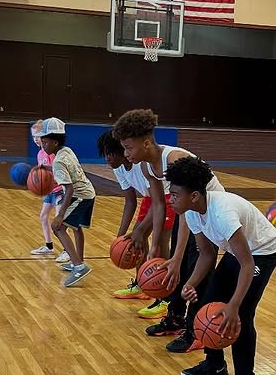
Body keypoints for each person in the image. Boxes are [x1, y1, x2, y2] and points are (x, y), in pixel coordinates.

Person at [165, 157, 276, 375]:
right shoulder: (193, 212)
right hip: (236, 251)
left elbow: (248, 265)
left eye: (174, 194)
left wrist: (234, 305)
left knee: (239, 317)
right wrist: (191, 283)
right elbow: (206, 254)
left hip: (262, 251)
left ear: (194, 195)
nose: (170, 199)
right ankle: (215, 365)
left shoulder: (222, 213)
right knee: (208, 303)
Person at [113, 108, 225, 353]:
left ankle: (195, 332)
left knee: (194, 267)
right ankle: (175, 318)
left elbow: (188, 211)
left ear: (146, 142)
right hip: (188, 211)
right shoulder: (147, 167)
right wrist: (150, 239)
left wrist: (176, 256)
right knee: (176, 264)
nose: (125, 153)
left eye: (129, 148)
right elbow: (159, 204)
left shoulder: (173, 158)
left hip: (209, 211)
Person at [98, 129, 170, 318]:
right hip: (151, 198)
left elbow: (159, 202)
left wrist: (139, 230)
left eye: (110, 153)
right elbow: (130, 201)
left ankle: (165, 299)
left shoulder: (140, 165)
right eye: (105, 154)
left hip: (167, 196)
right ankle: (142, 285)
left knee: (161, 242)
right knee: (138, 239)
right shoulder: (119, 168)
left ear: (123, 151)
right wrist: (120, 235)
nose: (107, 158)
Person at [38, 117, 96, 287]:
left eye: (45, 141)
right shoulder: (66, 151)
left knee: (57, 227)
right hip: (88, 192)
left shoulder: (58, 161)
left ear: (55, 142)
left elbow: (69, 189)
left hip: (79, 195)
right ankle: (77, 261)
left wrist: (60, 215)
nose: (42, 145)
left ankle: (79, 266)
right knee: (76, 227)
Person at [28, 119, 67, 262]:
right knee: (43, 216)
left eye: (38, 136)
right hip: (49, 191)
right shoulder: (40, 154)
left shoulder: (52, 152)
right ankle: (48, 246)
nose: (36, 139)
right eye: (33, 136)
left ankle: (66, 250)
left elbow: (58, 172)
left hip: (59, 190)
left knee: (58, 221)